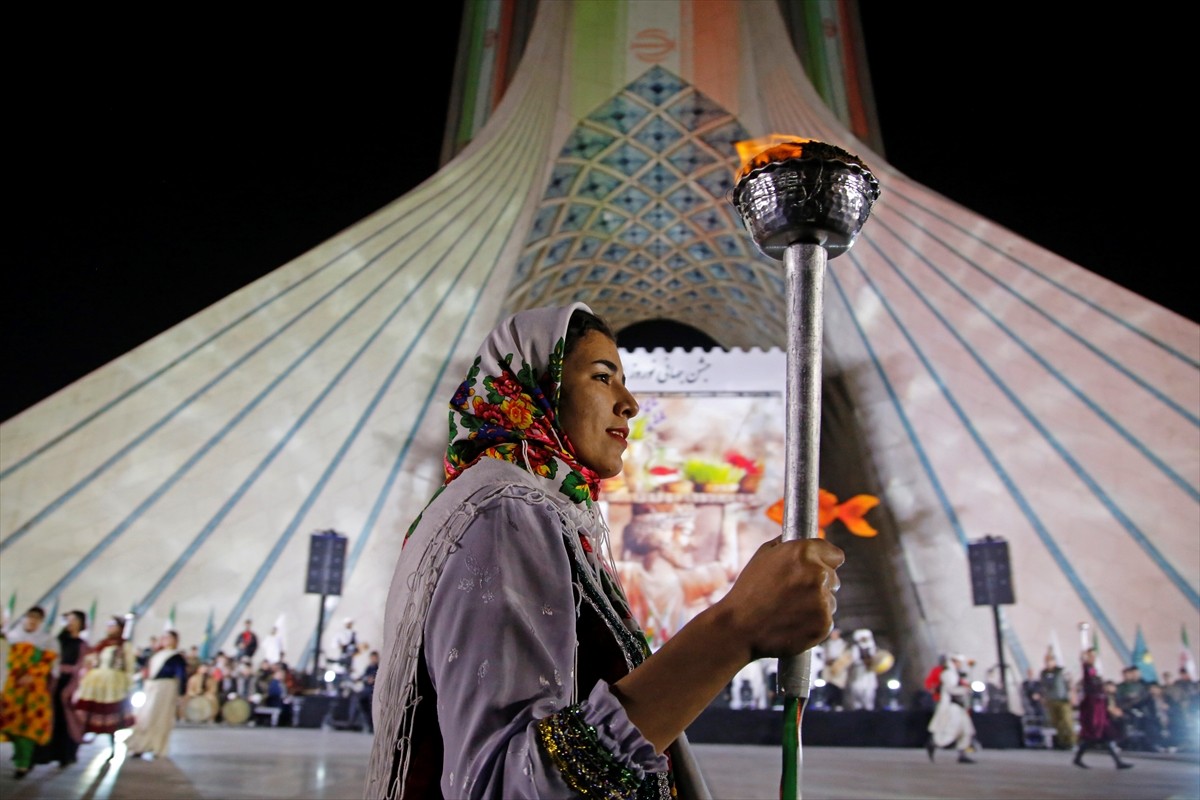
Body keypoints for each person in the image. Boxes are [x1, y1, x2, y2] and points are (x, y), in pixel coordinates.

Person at [363, 304, 843, 799]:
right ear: (537, 387)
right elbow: (506, 785)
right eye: (602, 377)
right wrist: (734, 630)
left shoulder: (529, 507)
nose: (630, 402)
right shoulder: (505, 510)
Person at [0, 606, 59, 779]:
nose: (32, 621)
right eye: (29, 617)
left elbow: (47, 664)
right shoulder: (11, 638)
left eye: (37, 618)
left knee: (28, 727)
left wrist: (32, 675)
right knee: (10, 723)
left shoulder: (48, 641)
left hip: (34, 690)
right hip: (12, 688)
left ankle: (23, 763)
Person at [33, 609, 89, 769]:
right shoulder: (57, 641)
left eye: (74, 620)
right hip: (53, 681)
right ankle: (43, 753)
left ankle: (64, 754)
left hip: (69, 684)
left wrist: (72, 687)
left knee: (66, 719)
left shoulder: (82, 645)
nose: (70, 623)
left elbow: (81, 667)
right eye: (68, 619)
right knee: (48, 716)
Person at [75, 615, 137, 756]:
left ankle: (113, 748)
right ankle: (77, 744)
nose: (110, 628)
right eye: (109, 625)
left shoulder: (124, 645)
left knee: (111, 717)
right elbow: (90, 660)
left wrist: (127, 685)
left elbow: (129, 667)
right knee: (87, 714)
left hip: (113, 685)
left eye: (113, 625)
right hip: (96, 683)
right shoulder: (102, 644)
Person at [126, 629, 188, 760]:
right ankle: (139, 746)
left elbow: (182, 675)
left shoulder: (176, 657)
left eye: (169, 638)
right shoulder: (156, 654)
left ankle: (158, 747)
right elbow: (145, 665)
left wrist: (181, 694)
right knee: (143, 717)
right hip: (150, 687)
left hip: (165, 688)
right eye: (164, 637)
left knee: (160, 718)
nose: (165, 640)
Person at [1073, 648, 1133, 769]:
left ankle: (1117, 762)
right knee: (1094, 734)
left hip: (1099, 707)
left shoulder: (1093, 671)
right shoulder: (1088, 669)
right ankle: (1079, 758)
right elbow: (1089, 683)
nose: (1093, 658)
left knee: (1104, 734)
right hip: (1093, 708)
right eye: (1091, 656)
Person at [925, 653, 978, 764]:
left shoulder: (956, 674)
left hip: (960, 707)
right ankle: (934, 743)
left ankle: (962, 754)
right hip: (952, 706)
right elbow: (951, 689)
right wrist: (965, 689)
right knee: (951, 731)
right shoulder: (948, 674)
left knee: (967, 730)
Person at [1039, 649, 1076, 750]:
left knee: (1066, 721)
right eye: (1046, 661)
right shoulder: (1043, 673)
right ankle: (1062, 742)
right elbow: (1043, 687)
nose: (1048, 663)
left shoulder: (1060, 671)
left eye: (1050, 661)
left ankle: (1072, 741)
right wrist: (1043, 697)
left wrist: (1072, 695)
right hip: (1051, 700)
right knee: (1057, 722)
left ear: (1054, 661)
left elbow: (1069, 683)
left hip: (1062, 699)